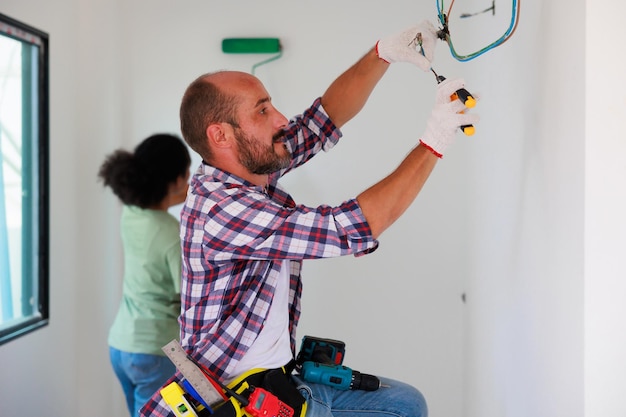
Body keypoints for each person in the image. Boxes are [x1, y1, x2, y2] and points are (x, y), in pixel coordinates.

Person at [140, 21, 478, 417]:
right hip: (237, 399)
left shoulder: (250, 173)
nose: (281, 118)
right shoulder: (223, 210)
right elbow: (348, 227)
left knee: (404, 405)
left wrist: (383, 52)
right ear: (220, 137)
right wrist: (434, 141)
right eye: (262, 111)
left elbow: (322, 120)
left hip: (276, 379)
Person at [98, 133, 192, 417]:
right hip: (153, 351)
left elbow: (159, 207)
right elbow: (187, 294)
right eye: (187, 174)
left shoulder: (131, 213)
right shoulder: (171, 233)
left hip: (121, 345)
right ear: (175, 180)